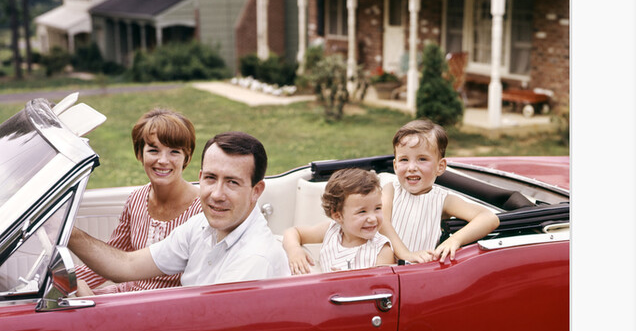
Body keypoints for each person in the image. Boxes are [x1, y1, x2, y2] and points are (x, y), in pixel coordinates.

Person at [69, 131, 290, 289]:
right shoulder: (200, 225)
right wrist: (66, 231)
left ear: (256, 191)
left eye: (232, 182)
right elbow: (128, 265)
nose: (216, 194)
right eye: (211, 178)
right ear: (200, 177)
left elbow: (207, 329)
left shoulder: (255, 259)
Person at [74, 108, 202, 296]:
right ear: (140, 154)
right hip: (130, 294)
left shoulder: (201, 209)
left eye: (174, 152)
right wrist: (64, 279)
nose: (163, 160)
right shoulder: (136, 199)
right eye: (153, 150)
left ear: (187, 157)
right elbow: (110, 258)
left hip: (171, 302)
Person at [380, 119, 499, 263]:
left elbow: (489, 218)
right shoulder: (391, 190)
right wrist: (406, 254)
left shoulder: (443, 200)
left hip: (420, 270)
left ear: (440, 167)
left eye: (422, 159)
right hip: (384, 267)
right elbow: (382, 222)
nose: (411, 168)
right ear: (395, 166)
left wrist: (455, 240)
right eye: (404, 160)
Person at [282, 168, 395, 275]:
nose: (373, 218)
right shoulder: (331, 230)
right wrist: (294, 250)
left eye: (377, 208)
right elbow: (293, 232)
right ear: (338, 216)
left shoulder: (382, 251)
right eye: (362, 212)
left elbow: (382, 286)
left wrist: (347, 280)